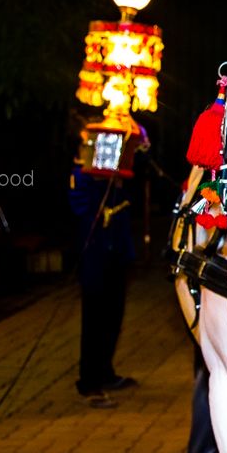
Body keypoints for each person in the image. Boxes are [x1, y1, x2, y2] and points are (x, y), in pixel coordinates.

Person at [68, 135, 139, 408]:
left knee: (113, 316)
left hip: (116, 256)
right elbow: (82, 208)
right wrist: (100, 183)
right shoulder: (80, 176)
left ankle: (105, 372)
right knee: (94, 322)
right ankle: (89, 382)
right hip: (94, 259)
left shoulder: (114, 177)